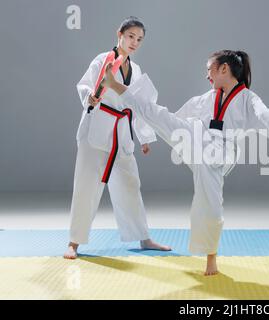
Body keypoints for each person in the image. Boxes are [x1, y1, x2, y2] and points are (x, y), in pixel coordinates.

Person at [102, 49, 269, 275]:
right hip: (196, 139)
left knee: (210, 206)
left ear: (224, 69)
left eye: (209, 70)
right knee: (160, 114)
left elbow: (265, 116)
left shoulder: (248, 99)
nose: (207, 76)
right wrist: (153, 132)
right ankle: (114, 84)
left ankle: (210, 257)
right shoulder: (205, 98)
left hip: (221, 152)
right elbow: (173, 119)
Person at [64, 16, 171, 259]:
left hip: (121, 132)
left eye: (139, 39)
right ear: (119, 35)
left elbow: (139, 104)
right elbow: (83, 86)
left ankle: (144, 238)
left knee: (130, 184)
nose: (134, 42)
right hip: (96, 127)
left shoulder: (137, 70)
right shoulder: (103, 60)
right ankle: (74, 242)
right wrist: (90, 96)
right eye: (131, 36)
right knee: (86, 185)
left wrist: (144, 136)